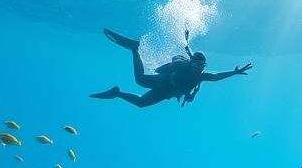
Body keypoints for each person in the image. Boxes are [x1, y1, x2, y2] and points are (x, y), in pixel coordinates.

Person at [90, 28, 252, 108]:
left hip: (167, 92)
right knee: (140, 80)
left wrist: (234, 72)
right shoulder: (185, 65)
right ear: (192, 63)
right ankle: (134, 48)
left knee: (140, 103)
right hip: (164, 82)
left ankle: (117, 93)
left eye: (202, 66)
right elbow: (189, 51)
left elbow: (215, 76)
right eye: (197, 65)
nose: (200, 69)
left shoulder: (200, 75)